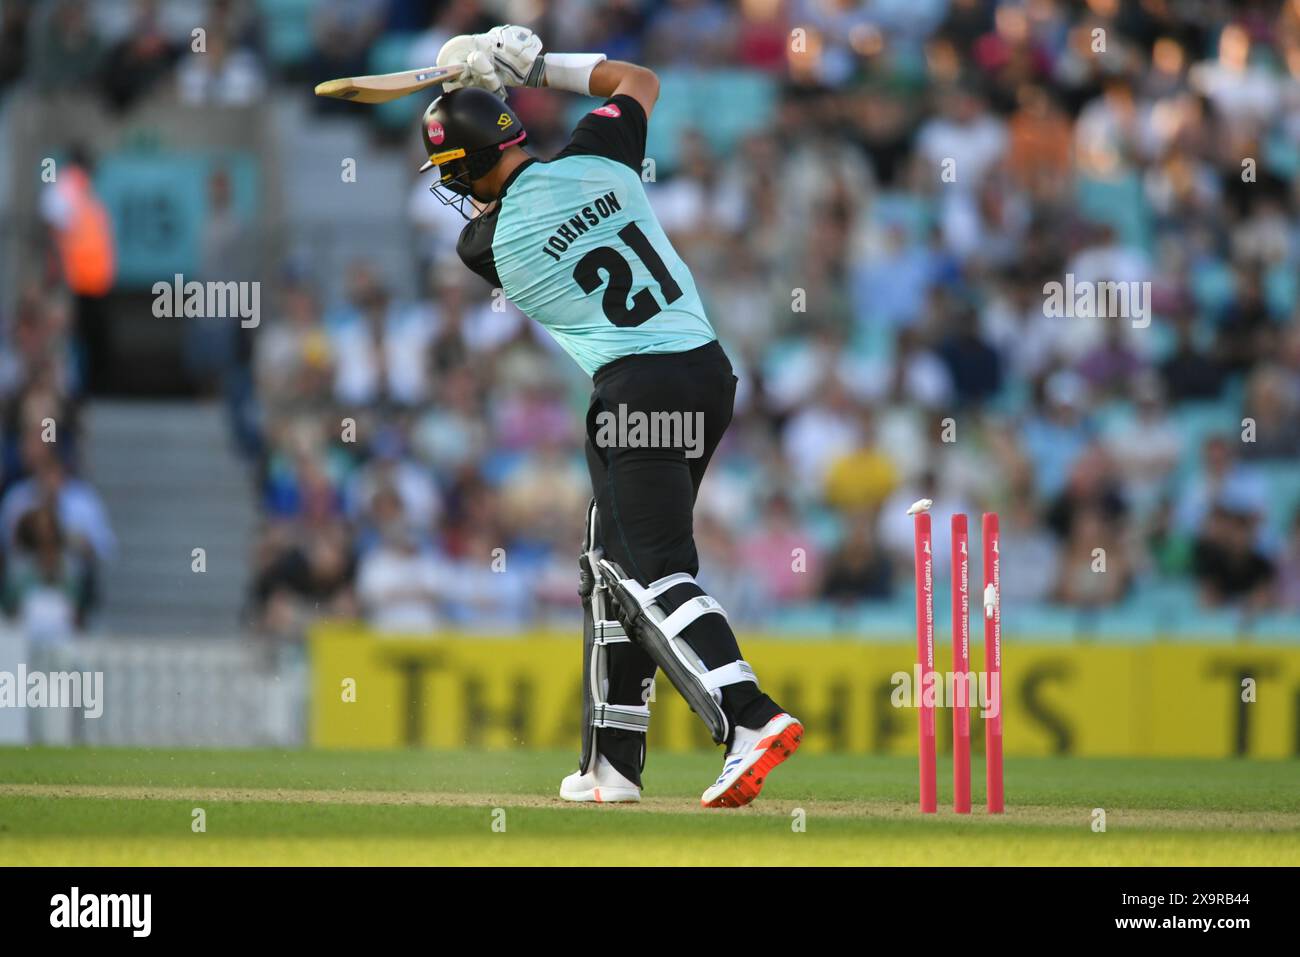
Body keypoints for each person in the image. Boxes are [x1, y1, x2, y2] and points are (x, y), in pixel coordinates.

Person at [417, 25, 801, 807]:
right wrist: (532, 66)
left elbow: (487, 193)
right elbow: (639, 80)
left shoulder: (485, 242)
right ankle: (611, 764)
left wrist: (463, 92)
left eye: (455, 171)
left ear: (470, 171)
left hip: (635, 393)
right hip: (706, 372)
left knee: (651, 569)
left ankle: (749, 716)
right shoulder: (601, 158)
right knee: (607, 562)